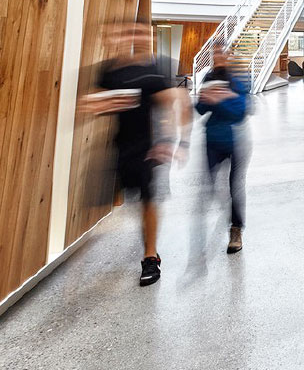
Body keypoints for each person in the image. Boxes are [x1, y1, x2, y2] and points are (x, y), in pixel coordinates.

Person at [78, 19, 191, 286]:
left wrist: (171, 141)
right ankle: (148, 243)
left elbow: (175, 103)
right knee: (135, 202)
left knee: (148, 201)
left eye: (141, 34)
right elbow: (91, 103)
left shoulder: (153, 71)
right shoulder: (110, 72)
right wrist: (98, 105)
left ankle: (150, 257)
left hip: (150, 148)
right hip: (122, 146)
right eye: (130, 34)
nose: (136, 38)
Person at [195, 45, 250, 254]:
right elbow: (200, 109)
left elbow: (240, 112)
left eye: (221, 53)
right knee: (208, 185)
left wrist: (221, 100)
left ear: (228, 56)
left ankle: (236, 229)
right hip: (212, 140)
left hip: (236, 140)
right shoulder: (209, 77)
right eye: (215, 53)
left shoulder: (237, 79)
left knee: (234, 186)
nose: (218, 57)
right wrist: (205, 99)